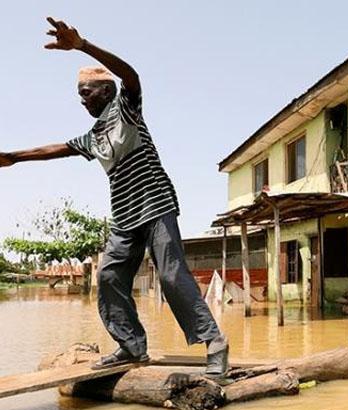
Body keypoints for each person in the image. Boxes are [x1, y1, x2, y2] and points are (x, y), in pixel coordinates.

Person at [0, 18, 228, 375]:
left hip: (155, 202)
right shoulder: (93, 137)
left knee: (170, 275)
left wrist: (82, 45)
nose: (82, 100)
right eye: (79, 96)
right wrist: (12, 157)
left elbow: (132, 75)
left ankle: (215, 343)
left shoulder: (126, 108)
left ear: (106, 91)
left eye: (86, 93)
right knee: (108, 277)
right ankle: (131, 346)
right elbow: (55, 148)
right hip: (124, 217)